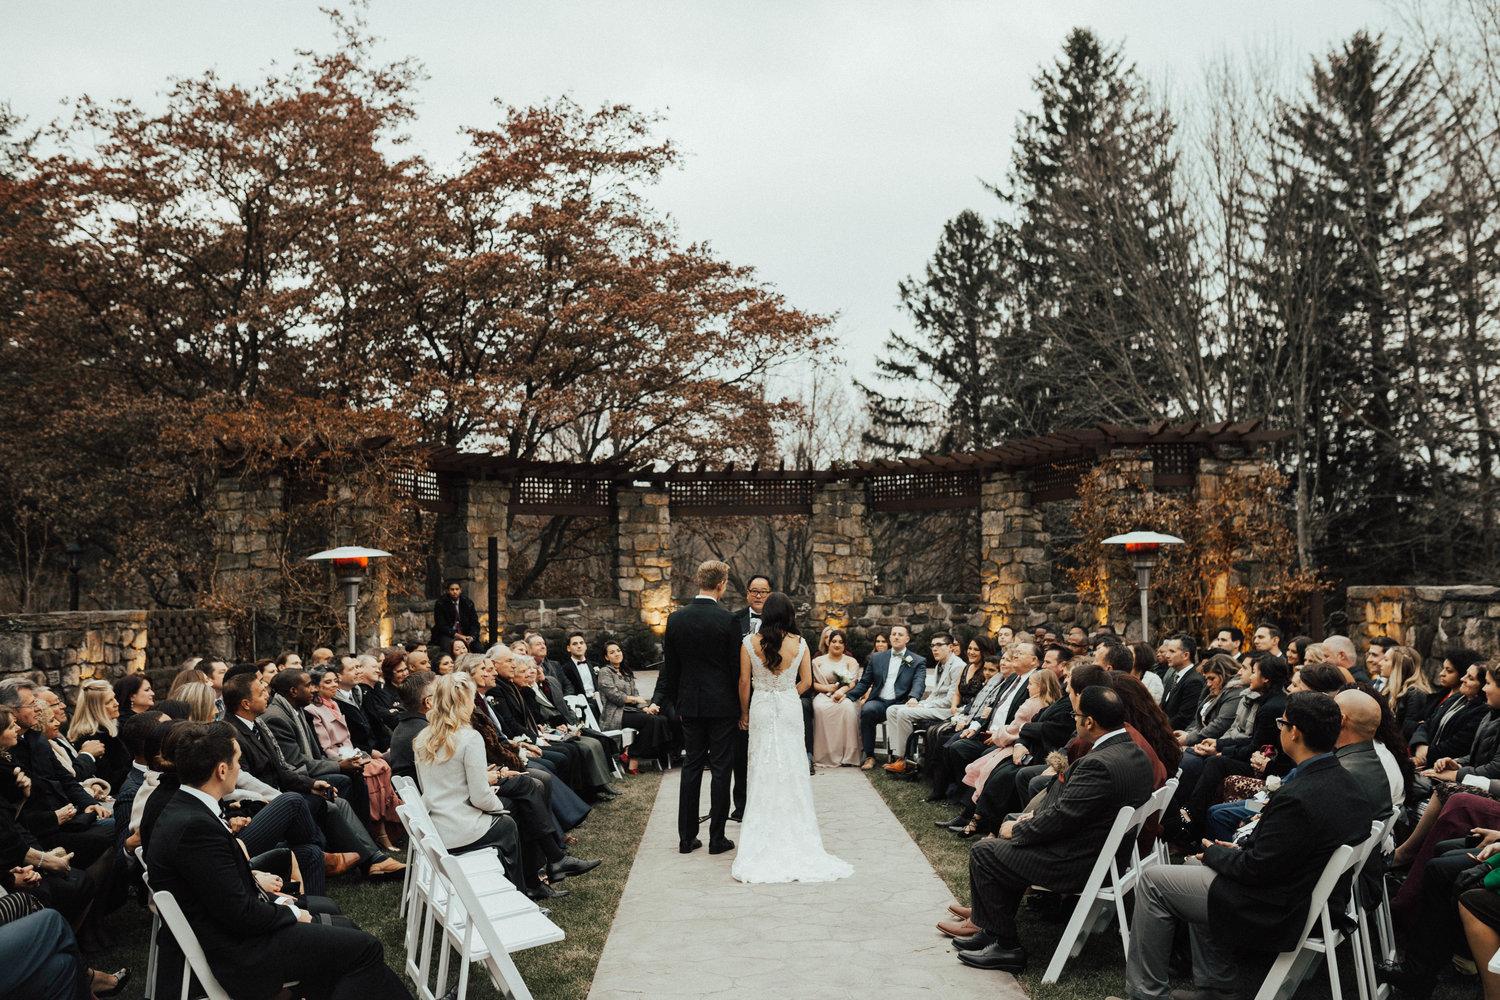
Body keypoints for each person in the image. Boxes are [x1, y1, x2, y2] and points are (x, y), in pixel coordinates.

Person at [1112, 691, 1374, 1000]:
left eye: (1282, 723)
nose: (1280, 729)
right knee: (1192, 867)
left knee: (1153, 881)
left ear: (1294, 732)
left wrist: (1215, 853)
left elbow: (1256, 870)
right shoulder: (1346, 782)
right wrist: (1233, 852)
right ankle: (1216, 989)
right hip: (1302, 894)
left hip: (1276, 907)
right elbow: (1286, 853)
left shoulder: (1300, 794)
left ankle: (1146, 994)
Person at [145, 722, 413, 1000]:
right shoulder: (194, 826)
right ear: (221, 770)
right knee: (366, 948)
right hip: (241, 951)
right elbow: (239, 913)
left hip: (236, 935)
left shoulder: (187, 808)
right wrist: (293, 914)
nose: (239, 769)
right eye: (237, 762)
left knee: (349, 938)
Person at [948, 686, 1153, 973]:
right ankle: (990, 930)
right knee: (1004, 843)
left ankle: (1006, 946)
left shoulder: (1100, 763)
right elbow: (1075, 812)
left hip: (1078, 862)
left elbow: (1063, 818)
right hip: (1103, 854)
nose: (1074, 720)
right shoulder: (1134, 752)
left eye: (1076, 715)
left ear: (1089, 722)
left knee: (986, 852)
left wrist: (1018, 830)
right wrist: (1029, 820)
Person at [731, 593, 853, 885]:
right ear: (789, 615)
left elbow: (744, 682)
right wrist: (785, 693)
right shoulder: (800, 643)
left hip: (761, 705)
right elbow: (807, 682)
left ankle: (762, 833)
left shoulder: (749, 643)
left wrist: (745, 712)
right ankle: (796, 830)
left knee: (761, 766)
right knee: (792, 764)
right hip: (788, 706)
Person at [656, 560, 741, 855]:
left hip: (690, 703)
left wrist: (675, 701)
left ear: (698, 582)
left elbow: (671, 667)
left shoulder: (676, 619)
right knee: (721, 768)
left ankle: (686, 838)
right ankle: (717, 838)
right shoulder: (728, 620)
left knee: (691, 766)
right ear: (722, 584)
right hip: (722, 705)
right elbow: (735, 669)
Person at [304, 670, 400, 853]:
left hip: (350, 752)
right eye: (328, 682)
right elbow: (326, 747)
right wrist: (348, 759)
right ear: (316, 686)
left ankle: (383, 827)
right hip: (335, 758)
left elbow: (347, 738)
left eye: (335, 681)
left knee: (382, 766)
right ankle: (376, 830)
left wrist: (358, 754)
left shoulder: (334, 704)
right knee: (369, 771)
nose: (334, 685)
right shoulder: (313, 710)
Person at [847, 624, 927, 770]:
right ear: (890, 638)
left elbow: (919, 682)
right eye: (894, 634)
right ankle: (870, 756)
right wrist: (848, 697)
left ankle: (903, 758)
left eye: (900, 634)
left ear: (907, 639)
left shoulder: (917, 660)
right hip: (879, 702)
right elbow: (865, 682)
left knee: (901, 714)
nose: (896, 637)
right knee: (867, 710)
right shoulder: (876, 658)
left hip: (901, 703)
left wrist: (914, 697)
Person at [884, 632, 966, 775]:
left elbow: (950, 700)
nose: (934, 649)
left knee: (903, 713)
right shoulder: (940, 664)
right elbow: (935, 693)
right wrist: (920, 703)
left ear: (950, 647)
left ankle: (905, 759)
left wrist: (923, 705)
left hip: (947, 710)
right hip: (935, 706)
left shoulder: (958, 665)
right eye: (932, 645)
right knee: (891, 710)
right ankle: (899, 756)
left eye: (939, 645)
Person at [596, 640, 677, 772]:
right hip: (616, 713)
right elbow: (614, 695)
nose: (617, 654)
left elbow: (636, 693)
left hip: (631, 710)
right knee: (652, 721)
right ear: (606, 657)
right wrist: (634, 699)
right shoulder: (605, 672)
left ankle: (631, 752)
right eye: (612, 652)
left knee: (661, 718)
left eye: (618, 651)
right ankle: (633, 755)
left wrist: (646, 708)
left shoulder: (625, 671)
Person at [809, 629, 862, 767]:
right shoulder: (817, 661)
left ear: (845, 645)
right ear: (828, 643)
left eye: (840, 642)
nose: (837, 645)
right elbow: (812, 683)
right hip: (824, 695)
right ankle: (825, 754)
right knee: (819, 708)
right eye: (834, 641)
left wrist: (842, 691)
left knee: (848, 708)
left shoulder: (850, 661)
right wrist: (827, 688)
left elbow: (853, 681)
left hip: (845, 695)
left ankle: (848, 756)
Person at [67, 680, 130, 793]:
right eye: (109, 701)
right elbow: (108, 779)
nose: (116, 703)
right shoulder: (92, 738)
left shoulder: (112, 730)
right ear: (96, 708)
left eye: (114, 698)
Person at [1177, 654, 1245, 747]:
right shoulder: (1213, 689)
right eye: (1207, 679)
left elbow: (1220, 725)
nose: (1208, 684)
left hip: (1216, 745)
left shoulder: (1235, 692)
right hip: (1201, 741)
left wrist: (1188, 739)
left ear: (1225, 675)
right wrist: (1187, 733)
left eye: (1212, 678)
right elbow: (1199, 720)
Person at [1383, 644, 1436, 741]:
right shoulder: (1389, 689)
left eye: (1386, 660)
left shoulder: (1415, 694)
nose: (1380, 663)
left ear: (1399, 666)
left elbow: (1407, 731)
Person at [1159, 633, 1205, 728]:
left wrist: (1160, 729)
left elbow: (1185, 717)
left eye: (1172, 651)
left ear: (1185, 655)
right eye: (1167, 651)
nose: (1167, 655)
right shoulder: (1174, 676)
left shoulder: (1194, 681)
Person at [432, 580, 481, 650]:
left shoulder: (468, 603)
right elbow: (441, 625)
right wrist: (459, 636)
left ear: (460, 590)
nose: (455, 592)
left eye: (457, 589)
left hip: (466, 633)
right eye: (452, 589)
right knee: (449, 647)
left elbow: (475, 623)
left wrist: (472, 636)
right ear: (448, 591)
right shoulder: (441, 603)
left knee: (479, 649)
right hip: (448, 634)